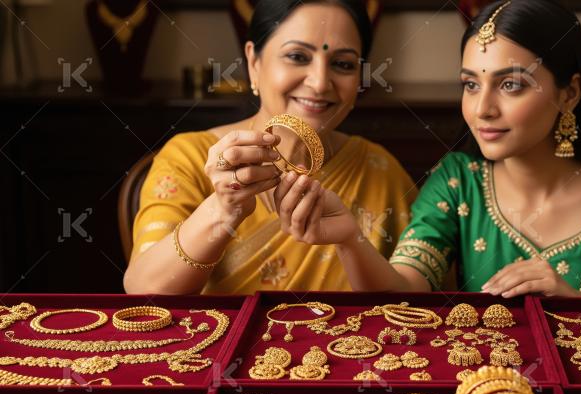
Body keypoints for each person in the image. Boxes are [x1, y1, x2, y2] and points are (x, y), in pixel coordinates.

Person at [271, 0, 581, 298]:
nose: (482, 109)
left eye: (511, 85)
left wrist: (576, 307)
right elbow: (405, 294)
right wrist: (350, 241)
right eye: (471, 84)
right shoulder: (458, 182)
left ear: (570, 93)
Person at [124, 0, 416, 295]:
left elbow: (415, 307)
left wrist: (351, 242)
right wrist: (222, 210)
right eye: (297, 56)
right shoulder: (190, 158)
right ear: (254, 62)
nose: (319, 83)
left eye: (343, 64)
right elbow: (144, 292)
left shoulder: (380, 170)